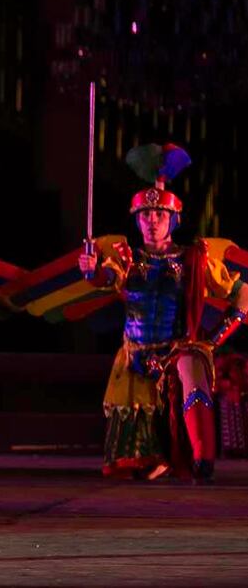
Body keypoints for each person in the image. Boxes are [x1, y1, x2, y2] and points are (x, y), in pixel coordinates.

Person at [78, 143, 248, 483]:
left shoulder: (194, 258)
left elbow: (241, 293)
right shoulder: (127, 256)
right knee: (134, 462)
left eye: (159, 215)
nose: (152, 221)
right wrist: (92, 270)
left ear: (173, 220)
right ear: (137, 219)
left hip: (175, 352)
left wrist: (213, 342)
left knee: (191, 366)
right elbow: (108, 277)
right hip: (136, 354)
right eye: (145, 215)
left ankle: (202, 458)